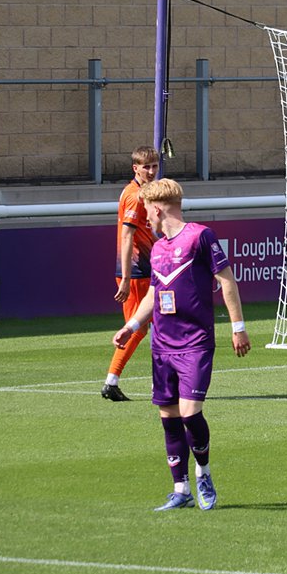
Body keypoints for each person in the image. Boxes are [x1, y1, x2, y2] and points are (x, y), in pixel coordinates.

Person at [111, 178, 251, 511]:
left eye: (147, 208)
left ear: (157, 208)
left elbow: (226, 281)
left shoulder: (201, 237)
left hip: (195, 343)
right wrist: (131, 326)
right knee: (168, 415)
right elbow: (152, 294)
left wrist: (238, 327)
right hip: (162, 344)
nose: (145, 216)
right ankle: (180, 488)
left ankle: (203, 472)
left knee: (190, 414)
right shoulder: (157, 248)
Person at [101, 145, 160, 402]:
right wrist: (125, 277)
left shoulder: (144, 193)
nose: (150, 171)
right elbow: (127, 236)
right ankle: (113, 381)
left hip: (144, 269)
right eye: (145, 166)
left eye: (154, 166)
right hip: (136, 272)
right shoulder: (135, 195)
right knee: (138, 328)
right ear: (135, 168)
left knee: (149, 327)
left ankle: (116, 382)